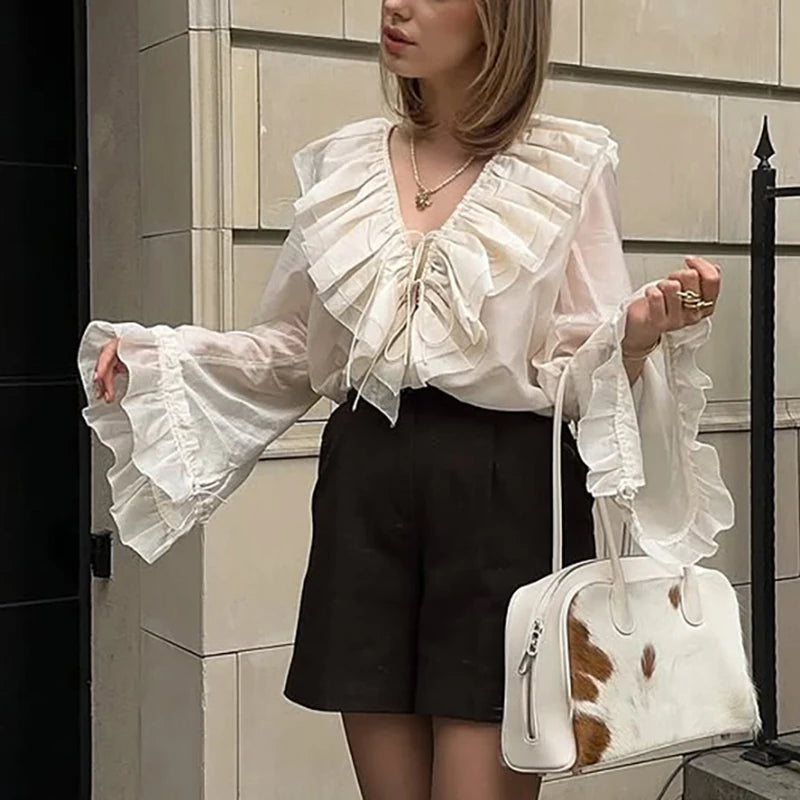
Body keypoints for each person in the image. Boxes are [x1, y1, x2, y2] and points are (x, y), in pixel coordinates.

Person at [77, 1, 735, 797]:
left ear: (500, 15)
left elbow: (573, 366)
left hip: (503, 494)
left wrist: (631, 338)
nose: (396, 5)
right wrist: (166, 358)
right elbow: (298, 347)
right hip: (367, 485)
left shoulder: (566, 165)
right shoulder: (344, 165)